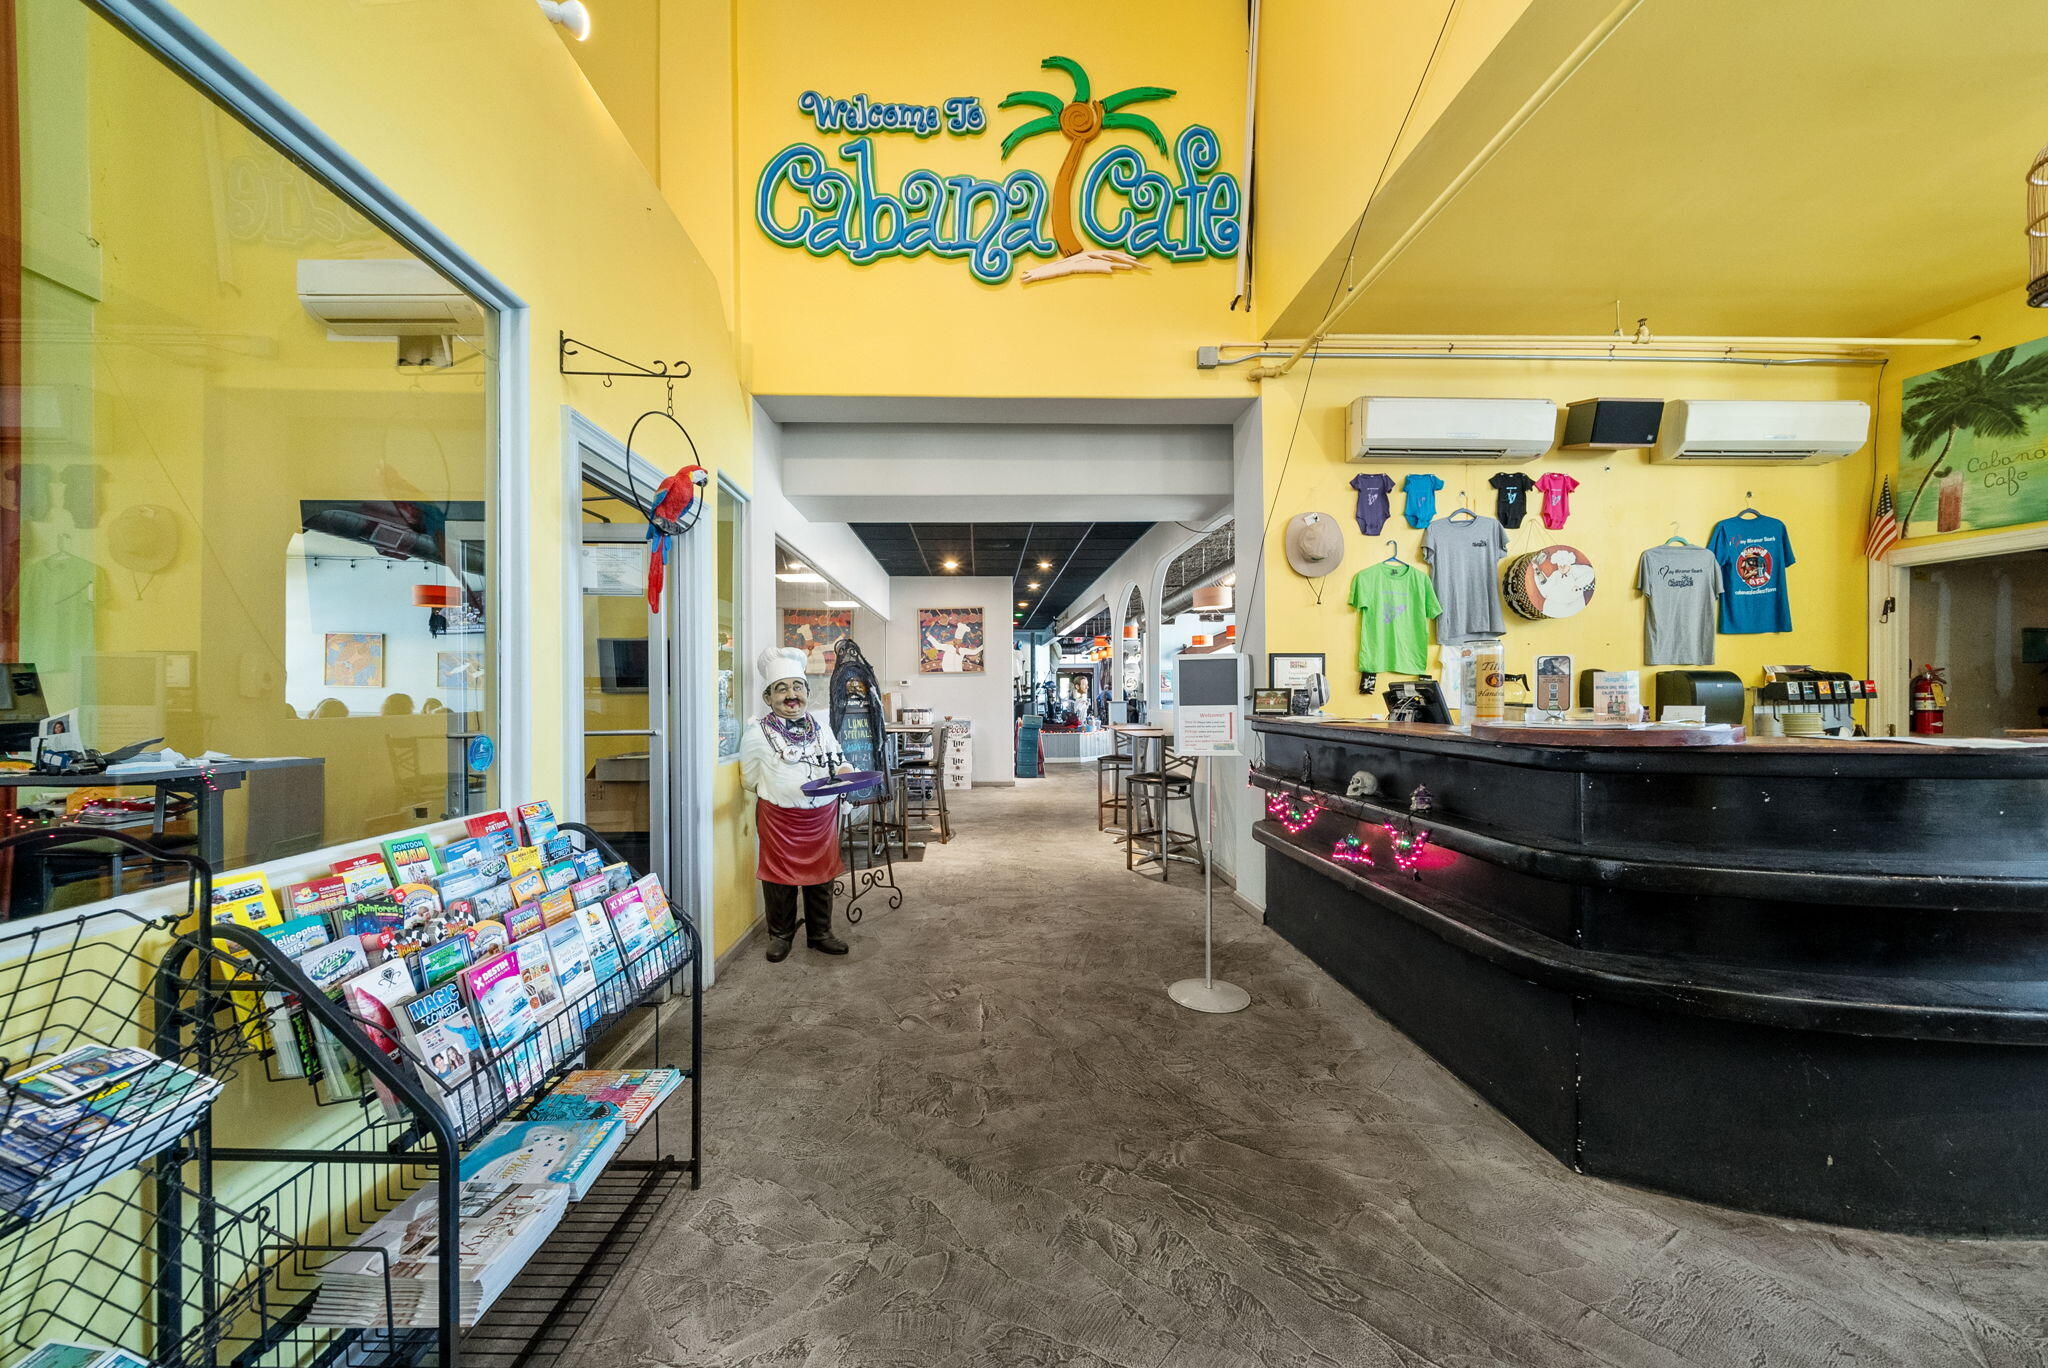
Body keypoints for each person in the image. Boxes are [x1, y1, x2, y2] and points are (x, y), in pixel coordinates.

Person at [738, 646, 851, 961]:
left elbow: (839, 760)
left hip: (822, 817)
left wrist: (845, 772)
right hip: (780, 820)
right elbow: (749, 779)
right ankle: (781, 936)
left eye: (797, 687)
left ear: (807, 692)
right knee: (779, 879)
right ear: (768, 697)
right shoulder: (757, 734)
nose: (791, 695)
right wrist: (784, 790)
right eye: (782, 688)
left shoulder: (822, 727)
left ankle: (820, 933)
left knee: (822, 876)